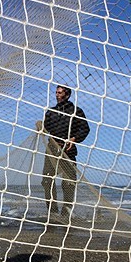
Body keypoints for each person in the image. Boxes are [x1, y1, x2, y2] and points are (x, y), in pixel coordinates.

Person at [36, 85, 90, 222]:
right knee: (47, 181)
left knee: (68, 183)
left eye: (59, 92)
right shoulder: (51, 112)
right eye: (56, 92)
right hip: (52, 151)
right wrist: (40, 125)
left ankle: (66, 213)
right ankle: (52, 212)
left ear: (67, 94)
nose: (56, 95)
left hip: (68, 151)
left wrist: (74, 138)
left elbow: (85, 129)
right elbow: (45, 128)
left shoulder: (76, 111)